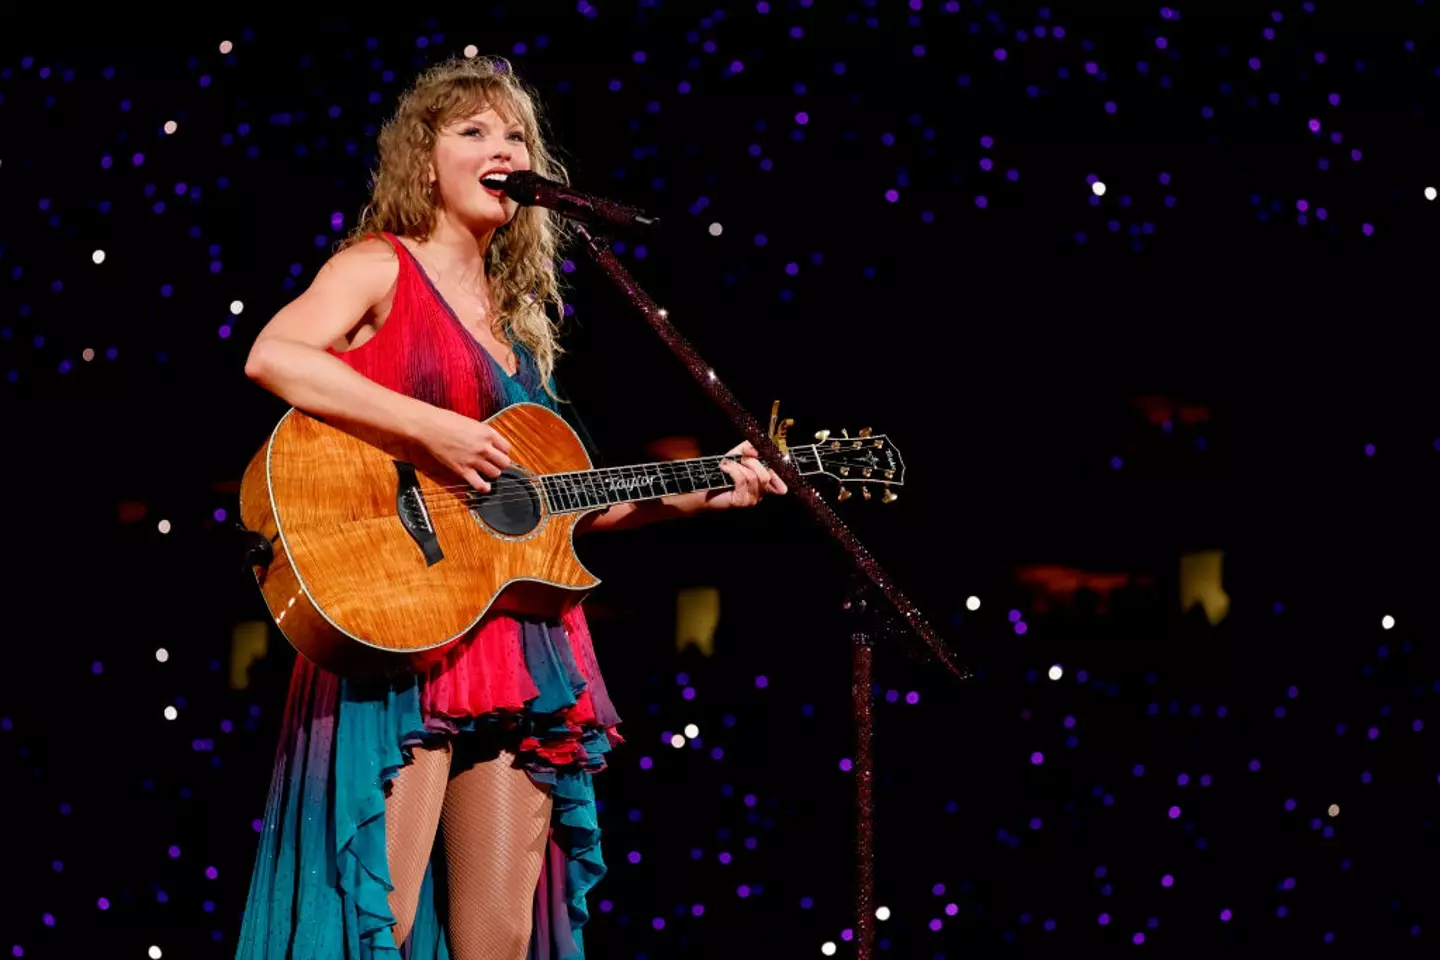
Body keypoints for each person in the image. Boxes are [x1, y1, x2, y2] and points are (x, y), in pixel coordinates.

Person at [235, 55, 786, 960]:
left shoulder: (520, 327)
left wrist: (701, 494)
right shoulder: (379, 267)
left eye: (517, 134)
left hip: (520, 643)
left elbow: (556, 513)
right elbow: (275, 354)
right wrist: (431, 433)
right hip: (404, 617)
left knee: (498, 933)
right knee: (386, 918)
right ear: (424, 163)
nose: (504, 146)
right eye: (474, 131)